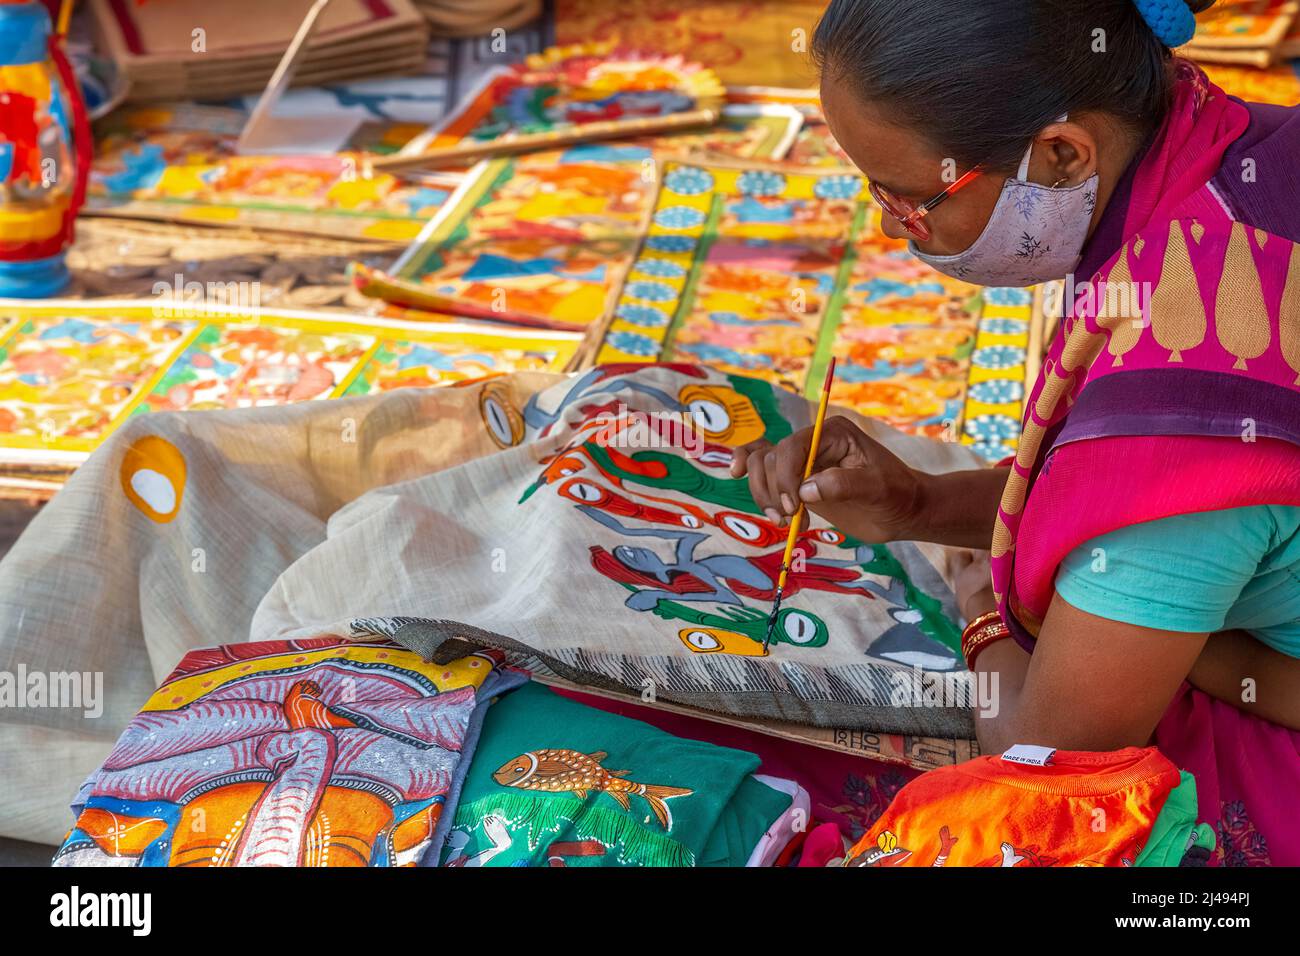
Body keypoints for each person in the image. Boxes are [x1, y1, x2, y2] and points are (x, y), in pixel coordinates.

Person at [733, 0, 1300, 865]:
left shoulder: (1187, 425)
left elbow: (1046, 768)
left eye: (913, 200)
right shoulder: (1239, 150)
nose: (891, 226)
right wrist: (919, 501)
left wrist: (985, 616)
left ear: (1064, 153)